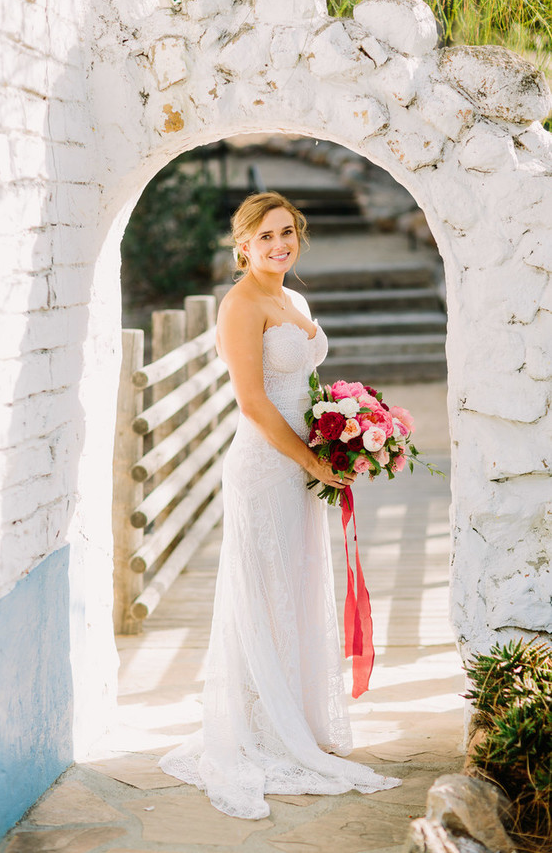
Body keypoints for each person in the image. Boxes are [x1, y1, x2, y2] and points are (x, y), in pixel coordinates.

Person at [159, 192, 400, 819]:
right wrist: (312, 459)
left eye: (287, 233)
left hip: (303, 461)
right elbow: (256, 403)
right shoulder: (240, 305)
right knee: (266, 589)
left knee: (298, 584)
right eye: (264, 236)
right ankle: (262, 730)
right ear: (243, 244)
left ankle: (296, 715)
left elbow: (307, 385)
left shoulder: (294, 298)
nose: (278, 245)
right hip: (268, 466)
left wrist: (344, 434)